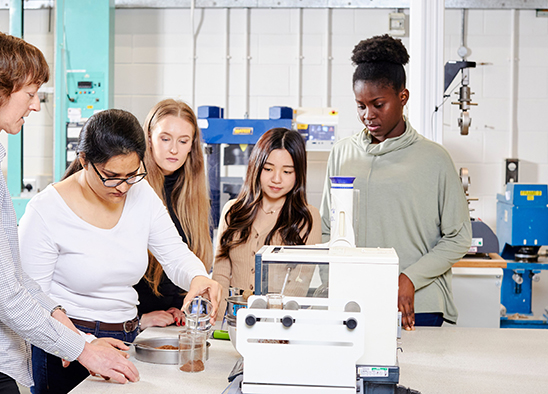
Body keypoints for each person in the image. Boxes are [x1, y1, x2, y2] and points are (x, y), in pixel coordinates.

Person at [0, 32, 138, 394]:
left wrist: (61, 320)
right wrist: (83, 351)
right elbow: (1, 292)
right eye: (30, 93)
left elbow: (11, 273)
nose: (36, 106)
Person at [18, 108, 222, 394]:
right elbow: (31, 300)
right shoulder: (46, 211)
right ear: (84, 160)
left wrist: (198, 278)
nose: (124, 187)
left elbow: (175, 253)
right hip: (66, 347)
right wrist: (84, 345)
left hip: (126, 338)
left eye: (132, 174)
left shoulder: (142, 194)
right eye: (112, 176)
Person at [320, 34, 471, 330]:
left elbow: (458, 237)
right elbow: (329, 227)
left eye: (378, 104)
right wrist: (333, 286)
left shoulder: (434, 158)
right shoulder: (342, 152)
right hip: (355, 304)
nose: (368, 115)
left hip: (417, 305)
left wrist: (409, 278)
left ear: (403, 97)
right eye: (361, 105)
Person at [212, 127, 322, 320]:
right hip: (231, 321)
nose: (276, 179)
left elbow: (299, 284)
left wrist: (269, 326)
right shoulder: (233, 211)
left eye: (287, 171)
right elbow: (220, 275)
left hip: (277, 325)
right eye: (268, 169)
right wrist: (220, 323)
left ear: (298, 174)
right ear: (256, 167)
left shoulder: (307, 218)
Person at [133, 99, 213, 329]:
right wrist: (138, 319)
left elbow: (185, 261)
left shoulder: (193, 197)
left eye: (183, 141)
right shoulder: (131, 187)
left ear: (192, 145)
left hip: (170, 323)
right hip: (128, 322)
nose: (174, 149)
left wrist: (181, 305)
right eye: (165, 138)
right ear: (149, 138)